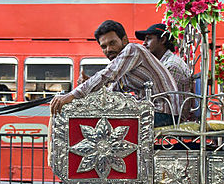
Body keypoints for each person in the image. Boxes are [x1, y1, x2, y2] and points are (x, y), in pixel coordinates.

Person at [49, 19, 180, 127]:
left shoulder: (132, 50)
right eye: (104, 46)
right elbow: (111, 90)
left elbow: (107, 74)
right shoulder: (124, 66)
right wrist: (89, 88)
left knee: (105, 125)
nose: (109, 49)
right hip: (152, 111)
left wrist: (73, 94)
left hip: (164, 113)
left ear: (124, 40)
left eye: (112, 43)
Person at [135, 23, 194, 94]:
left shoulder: (171, 65)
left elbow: (162, 98)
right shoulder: (163, 63)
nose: (144, 43)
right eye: (145, 39)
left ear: (162, 40)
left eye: (149, 39)